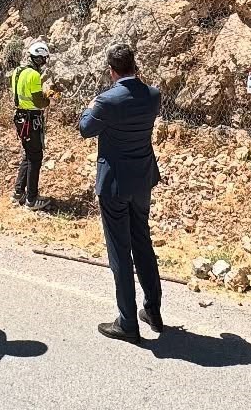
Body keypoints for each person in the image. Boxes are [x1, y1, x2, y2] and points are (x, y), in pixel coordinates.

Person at [77, 42, 164, 343]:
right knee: (142, 242)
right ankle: (152, 309)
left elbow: (85, 129)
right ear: (134, 65)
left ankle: (128, 323)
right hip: (142, 181)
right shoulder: (153, 95)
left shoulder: (106, 100)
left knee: (120, 252)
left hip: (115, 184)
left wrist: (90, 106)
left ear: (111, 71)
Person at [11, 38, 53, 210]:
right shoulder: (34, 75)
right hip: (31, 119)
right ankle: (32, 199)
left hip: (21, 118)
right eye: (43, 59)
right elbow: (39, 102)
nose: (44, 63)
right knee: (35, 158)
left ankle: (18, 193)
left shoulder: (17, 71)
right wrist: (48, 97)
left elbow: (21, 96)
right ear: (39, 58)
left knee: (28, 155)